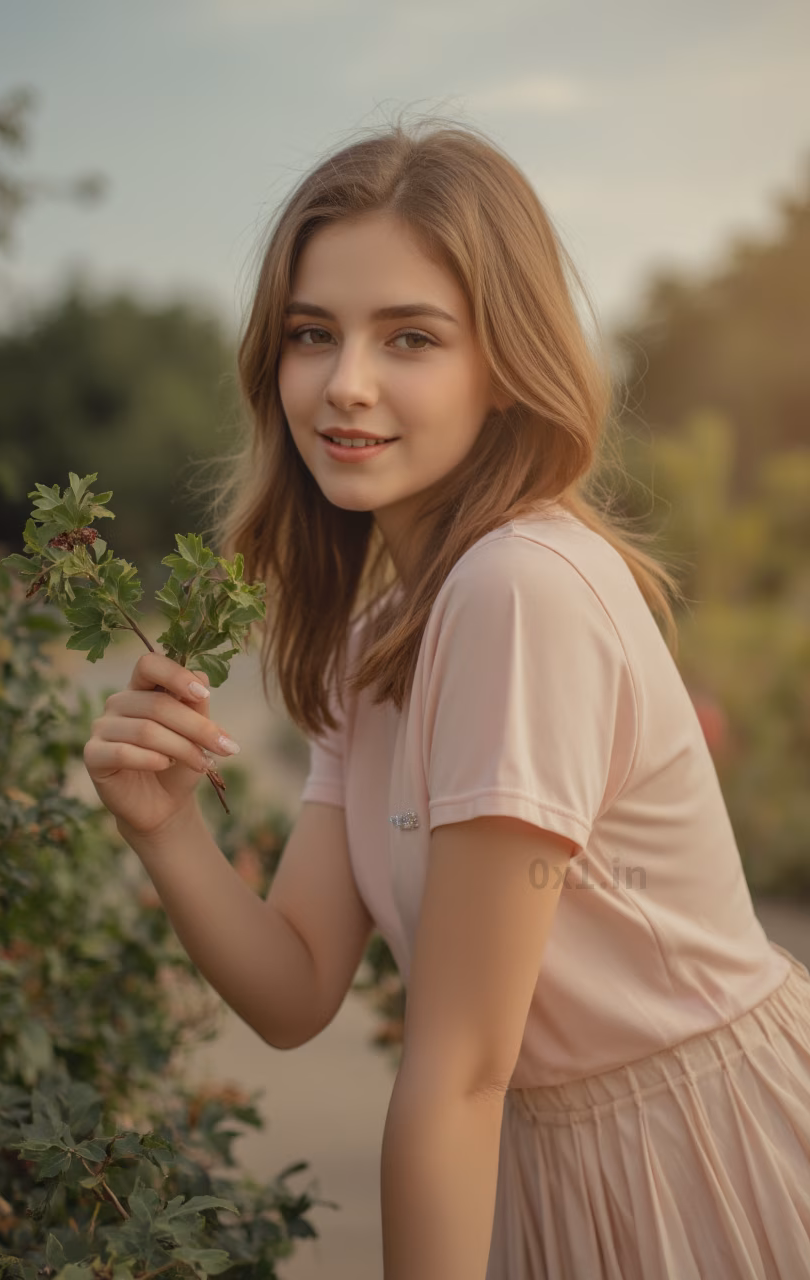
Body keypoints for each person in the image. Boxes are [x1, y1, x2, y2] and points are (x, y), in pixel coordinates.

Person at [83, 115, 810, 1279]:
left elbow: (460, 1065)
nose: (344, 383)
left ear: (503, 366)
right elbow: (295, 984)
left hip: (702, 1158)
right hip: (557, 1163)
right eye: (311, 333)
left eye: (409, 336)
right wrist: (164, 828)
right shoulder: (377, 637)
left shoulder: (517, 589)